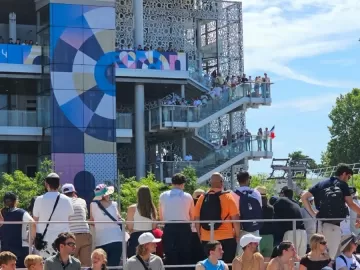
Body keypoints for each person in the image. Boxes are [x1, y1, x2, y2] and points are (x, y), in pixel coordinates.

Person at [301, 164, 360, 259]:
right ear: (344, 174)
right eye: (348, 177)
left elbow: (304, 197)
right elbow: (351, 204)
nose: (348, 179)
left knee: (318, 255)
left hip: (319, 224)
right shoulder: (342, 184)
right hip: (333, 225)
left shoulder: (321, 183)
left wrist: (313, 214)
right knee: (330, 257)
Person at [195, 173, 239, 263]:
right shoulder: (228, 197)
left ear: (210, 183)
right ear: (222, 182)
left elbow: (197, 218)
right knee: (226, 264)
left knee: (209, 265)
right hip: (226, 237)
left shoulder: (202, 197)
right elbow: (235, 218)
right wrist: (237, 235)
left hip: (207, 237)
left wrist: (200, 235)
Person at [33, 173, 74, 258]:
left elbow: (35, 220)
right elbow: (70, 218)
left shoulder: (39, 199)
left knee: (46, 265)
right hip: (62, 240)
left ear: (46, 184)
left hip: (44, 240)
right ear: (59, 185)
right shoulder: (67, 200)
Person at [159, 173, 194, 269]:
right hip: (184, 227)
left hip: (169, 226)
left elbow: (160, 215)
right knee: (185, 252)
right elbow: (192, 215)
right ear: (183, 184)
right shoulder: (188, 196)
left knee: (170, 252)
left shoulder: (163, 195)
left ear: (172, 183)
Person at [90, 184, 123, 267]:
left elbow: (92, 221)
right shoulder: (114, 204)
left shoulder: (92, 205)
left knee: (101, 266)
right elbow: (119, 219)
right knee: (114, 266)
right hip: (116, 239)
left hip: (100, 240)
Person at [0, 192, 36, 268]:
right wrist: (30, 240)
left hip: (4, 248)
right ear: (16, 201)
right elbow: (32, 223)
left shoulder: (1, 213)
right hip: (21, 248)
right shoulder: (21, 212)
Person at [231, 171, 262, 256]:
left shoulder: (232, 194)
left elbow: (234, 214)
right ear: (248, 180)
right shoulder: (256, 193)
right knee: (255, 256)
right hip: (255, 228)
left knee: (241, 256)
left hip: (241, 229)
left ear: (238, 180)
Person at [61, 183, 92, 267]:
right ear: (74, 192)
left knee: (70, 265)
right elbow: (85, 215)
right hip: (85, 234)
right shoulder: (82, 201)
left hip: (71, 237)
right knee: (86, 265)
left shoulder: (62, 203)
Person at [273, 188, 307, 257]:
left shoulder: (281, 200)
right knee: (300, 259)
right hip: (303, 233)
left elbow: (272, 212)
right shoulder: (296, 203)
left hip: (291, 232)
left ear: (283, 194)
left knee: (288, 258)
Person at [126, 185, 157, 257]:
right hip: (149, 236)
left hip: (136, 237)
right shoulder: (152, 208)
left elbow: (130, 227)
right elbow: (154, 226)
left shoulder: (132, 208)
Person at [256, 186, 274, 260]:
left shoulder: (256, 208)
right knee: (267, 262)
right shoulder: (271, 208)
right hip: (269, 237)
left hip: (258, 235)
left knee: (258, 262)